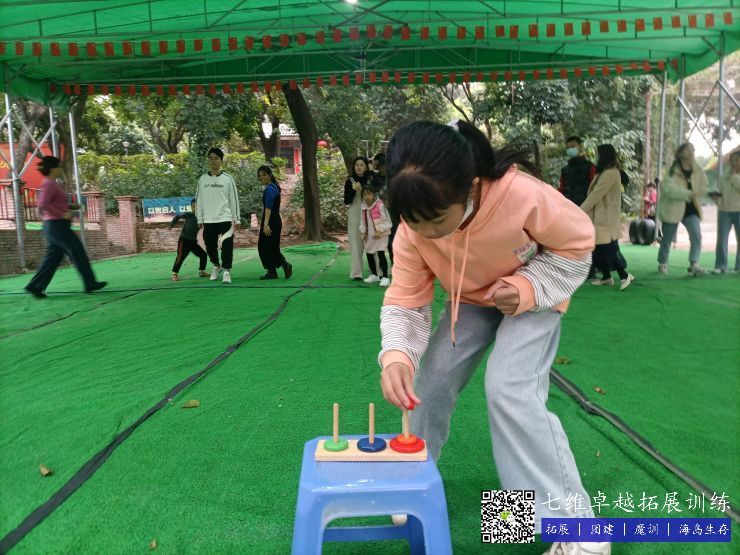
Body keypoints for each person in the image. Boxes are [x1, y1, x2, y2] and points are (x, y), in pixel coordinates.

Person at [379, 121, 609, 555]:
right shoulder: (412, 230)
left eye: (436, 221)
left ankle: (581, 530)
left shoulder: (522, 195)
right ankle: (415, 483)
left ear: (469, 187)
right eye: (412, 221)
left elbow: (578, 246)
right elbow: (407, 299)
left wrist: (526, 288)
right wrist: (396, 355)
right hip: (470, 299)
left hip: (536, 294)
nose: (425, 233)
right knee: (429, 383)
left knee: (508, 389)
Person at [24, 156, 107, 298]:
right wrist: (61, 214)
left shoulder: (51, 183)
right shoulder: (49, 184)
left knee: (53, 257)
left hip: (54, 226)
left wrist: (70, 206)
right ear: (53, 168)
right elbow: (43, 204)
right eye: (59, 166)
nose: (61, 169)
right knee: (77, 251)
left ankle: (35, 286)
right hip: (57, 225)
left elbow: (53, 203)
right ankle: (90, 283)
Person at [580, 144, 634, 290]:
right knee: (599, 249)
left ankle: (624, 275)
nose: (597, 157)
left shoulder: (610, 173)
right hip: (601, 217)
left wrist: (579, 210)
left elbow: (596, 195)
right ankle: (606, 277)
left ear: (604, 156)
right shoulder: (605, 172)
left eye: (599, 154)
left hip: (606, 218)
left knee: (607, 250)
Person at [656, 143, 708, 276]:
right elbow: (668, 190)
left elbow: (703, 187)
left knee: (696, 235)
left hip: (691, 208)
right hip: (673, 207)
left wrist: (702, 193)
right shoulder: (672, 171)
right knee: (667, 238)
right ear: (680, 153)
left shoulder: (698, 170)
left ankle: (694, 263)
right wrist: (688, 193)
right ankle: (663, 263)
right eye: (688, 149)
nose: (691, 151)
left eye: (692, 149)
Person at [195, 147, 240, 284]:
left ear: (221, 161)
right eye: (211, 158)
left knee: (227, 246)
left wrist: (236, 218)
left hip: (225, 218)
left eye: (216, 158)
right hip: (208, 220)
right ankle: (216, 265)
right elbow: (199, 200)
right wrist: (199, 217)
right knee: (210, 246)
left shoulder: (228, 179)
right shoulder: (203, 179)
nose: (213, 161)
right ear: (208, 160)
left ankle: (226, 271)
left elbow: (234, 199)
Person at [256, 165, 292, 280]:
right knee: (272, 247)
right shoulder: (275, 186)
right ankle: (277, 269)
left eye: (264, 175)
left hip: (270, 222)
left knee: (263, 247)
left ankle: (278, 268)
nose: (262, 177)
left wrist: (266, 224)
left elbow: (268, 207)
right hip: (276, 221)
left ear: (270, 175)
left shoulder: (270, 189)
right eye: (260, 176)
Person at [343, 156, 376, 281]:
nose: (359, 167)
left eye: (362, 165)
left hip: (371, 213)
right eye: (357, 165)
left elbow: (378, 194)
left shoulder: (371, 179)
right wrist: (353, 190)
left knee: (373, 242)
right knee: (356, 244)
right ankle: (357, 273)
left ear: (366, 167)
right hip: (355, 213)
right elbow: (346, 201)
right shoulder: (350, 181)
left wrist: (372, 172)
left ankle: (376, 272)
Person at [711, 150, 740, 274]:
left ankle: (739, 267)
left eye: (736, 160)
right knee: (722, 240)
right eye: (731, 160)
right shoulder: (724, 176)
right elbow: (721, 191)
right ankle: (720, 266)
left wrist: (734, 177)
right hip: (724, 211)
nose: (733, 163)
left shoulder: (732, 176)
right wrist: (716, 198)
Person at [359, 187, 392, 286]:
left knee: (381, 253)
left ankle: (385, 277)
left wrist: (380, 230)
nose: (367, 197)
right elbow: (362, 221)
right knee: (369, 253)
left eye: (369, 194)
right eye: (365, 195)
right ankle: (374, 275)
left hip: (380, 235)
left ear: (374, 194)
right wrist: (363, 231)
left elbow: (388, 222)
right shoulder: (363, 208)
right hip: (370, 235)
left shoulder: (380, 205)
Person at [170, 199, 209, 281]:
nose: (195, 208)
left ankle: (202, 272)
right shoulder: (189, 215)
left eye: (197, 206)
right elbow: (177, 217)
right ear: (191, 207)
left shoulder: (202, 218)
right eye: (193, 206)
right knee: (180, 257)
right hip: (184, 240)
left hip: (193, 242)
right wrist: (171, 226)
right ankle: (174, 274)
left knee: (203, 255)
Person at [374, 151, 400, 265]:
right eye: (380, 167)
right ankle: (389, 264)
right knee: (387, 240)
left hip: (395, 213)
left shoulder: (395, 177)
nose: (381, 169)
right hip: (383, 213)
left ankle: (397, 263)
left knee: (395, 239)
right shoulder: (376, 178)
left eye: (382, 167)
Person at [559, 136, 596, 207]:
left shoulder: (590, 167)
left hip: (585, 208)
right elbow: (561, 189)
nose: (570, 149)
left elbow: (595, 189)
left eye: (572, 146)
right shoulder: (565, 170)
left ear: (580, 147)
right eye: (568, 148)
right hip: (568, 208)